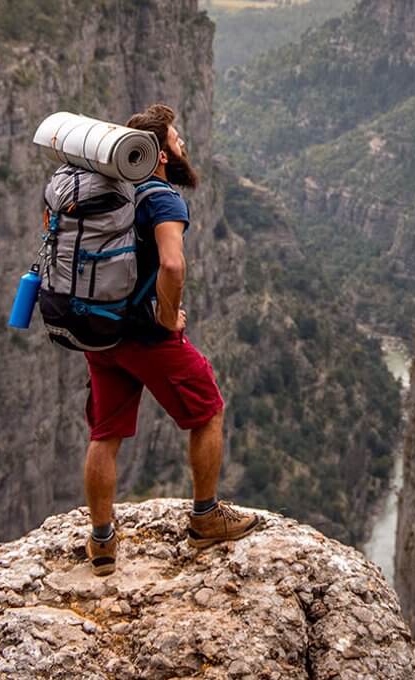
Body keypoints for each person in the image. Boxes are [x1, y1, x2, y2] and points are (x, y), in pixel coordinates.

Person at [81, 104, 258, 575]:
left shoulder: (113, 190)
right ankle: (205, 518)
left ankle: (101, 542)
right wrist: (165, 318)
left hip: (99, 332)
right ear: (158, 154)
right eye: (177, 141)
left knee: (106, 432)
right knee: (208, 408)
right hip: (143, 335)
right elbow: (173, 265)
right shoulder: (162, 198)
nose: (184, 147)